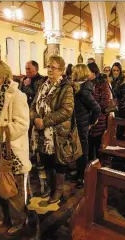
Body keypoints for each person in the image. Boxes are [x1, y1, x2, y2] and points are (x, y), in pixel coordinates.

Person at [0, 60, 32, 236]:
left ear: (3, 75)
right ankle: (1, 216)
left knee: (13, 188)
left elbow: (22, 124)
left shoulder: (17, 95)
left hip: (12, 150)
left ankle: (18, 220)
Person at [30, 55, 74, 204]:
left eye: (53, 67)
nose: (49, 70)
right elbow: (33, 105)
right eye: (48, 66)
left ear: (61, 70)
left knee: (59, 162)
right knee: (45, 160)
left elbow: (66, 110)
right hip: (41, 131)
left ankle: (58, 191)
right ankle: (50, 187)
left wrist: (45, 121)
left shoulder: (66, 88)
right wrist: (35, 118)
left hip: (57, 131)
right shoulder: (43, 85)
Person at [71, 64, 101, 188]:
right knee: (78, 149)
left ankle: (82, 177)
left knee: (83, 150)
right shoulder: (79, 86)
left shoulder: (83, 90)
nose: (72, 73)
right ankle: (79, 172)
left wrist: (91, 122)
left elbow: (97, 108)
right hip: (77, 122)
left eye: (74, 72)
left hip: (82, 123)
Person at [87, 62, 109, 161]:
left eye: (88, 72)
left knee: (97, 143)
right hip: (87, 117)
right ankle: (89, 169)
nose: (86, 74)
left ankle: (99, 166)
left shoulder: (102, 84)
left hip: (99, 117)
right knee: (88, 145)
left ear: (94, 73)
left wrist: (93, 109)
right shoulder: (86, 83)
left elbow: (105, 102)